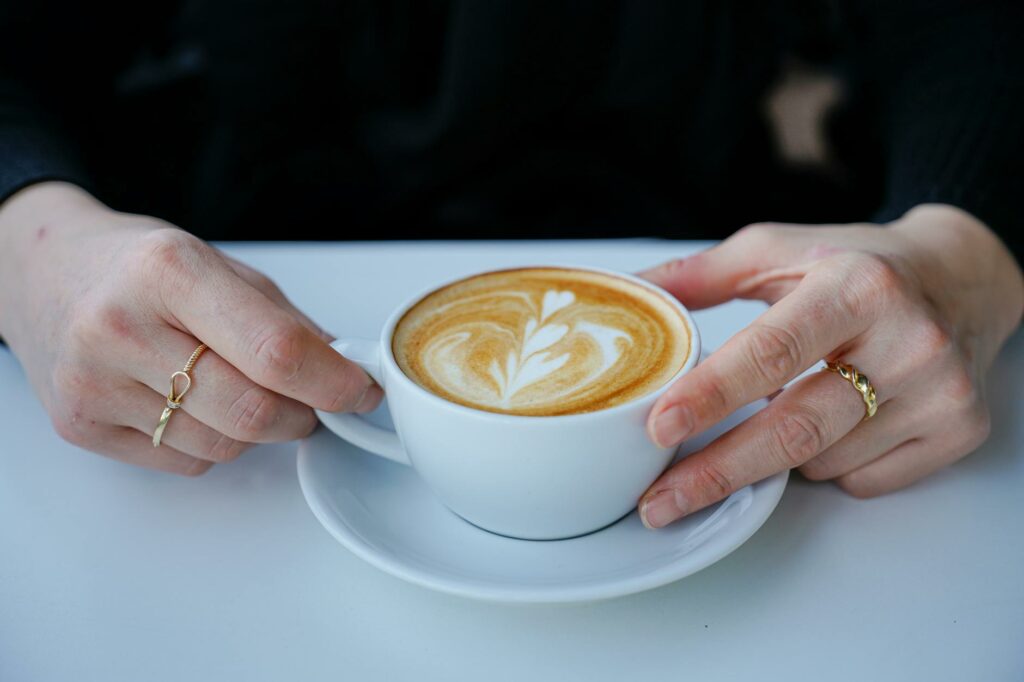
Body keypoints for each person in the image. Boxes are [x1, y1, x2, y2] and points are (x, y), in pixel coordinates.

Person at [0, 2, 1020, 530]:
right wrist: (30, 235)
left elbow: (963, 28)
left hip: (724, 300)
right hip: (214, 320)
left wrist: (966, 241)